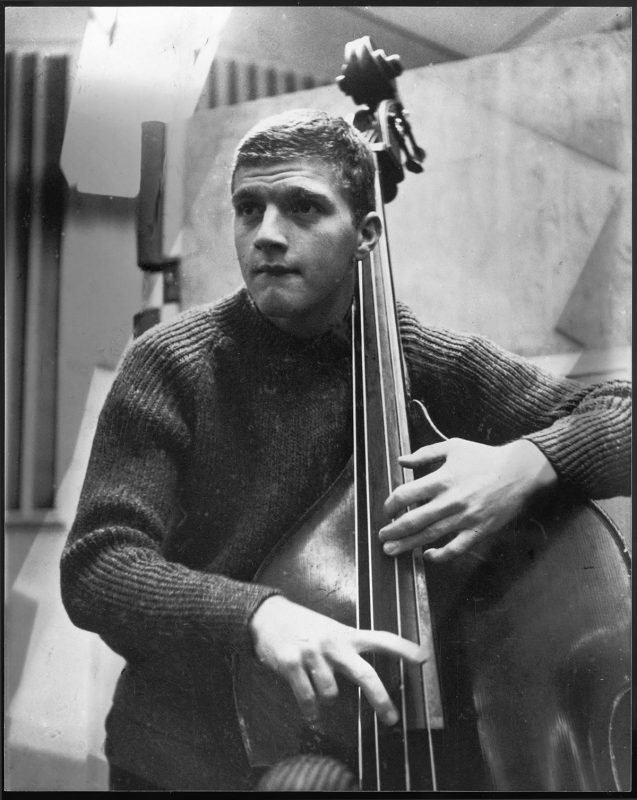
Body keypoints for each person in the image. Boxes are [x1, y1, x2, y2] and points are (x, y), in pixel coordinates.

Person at [60, 109, 631, 792]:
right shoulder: (172, 363)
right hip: (186, 760)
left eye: (303, 207)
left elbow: (620, 414)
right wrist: (258, 615)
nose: (267, 234)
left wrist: (525, 463)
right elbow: (100, 563)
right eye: (249, 208)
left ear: (365, 234)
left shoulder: (416, 356)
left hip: (388, 748)